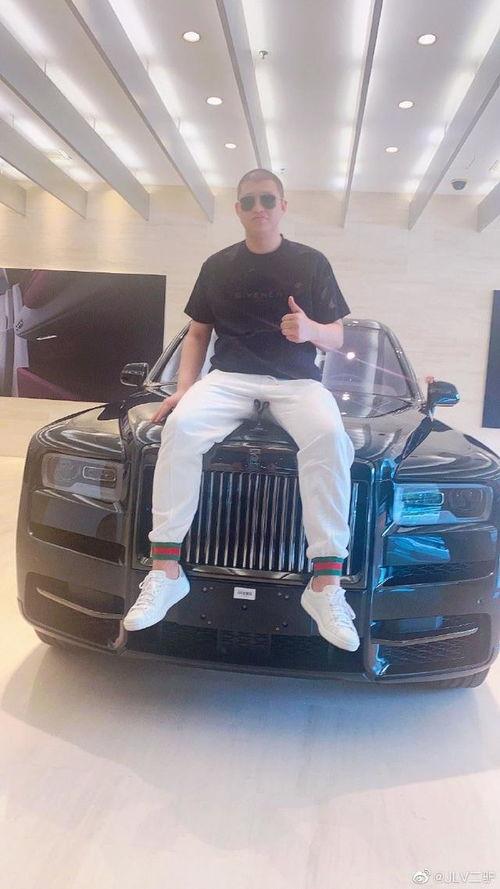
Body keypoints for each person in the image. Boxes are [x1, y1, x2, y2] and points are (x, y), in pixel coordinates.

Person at [123, 168, 359, 651]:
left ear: (283, 206)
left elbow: (337, 336)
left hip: (297, 382)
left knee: (332, 440)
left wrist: (310, 330)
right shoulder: (218, 265)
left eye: (267, 199)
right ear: (237, 209)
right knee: (180, 429)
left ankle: (325, 583)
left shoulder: (311, 262)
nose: (259, 208)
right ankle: (166, 570)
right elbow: (198, 334)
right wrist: (184, 390)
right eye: (248, 201)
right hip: (228, 379)